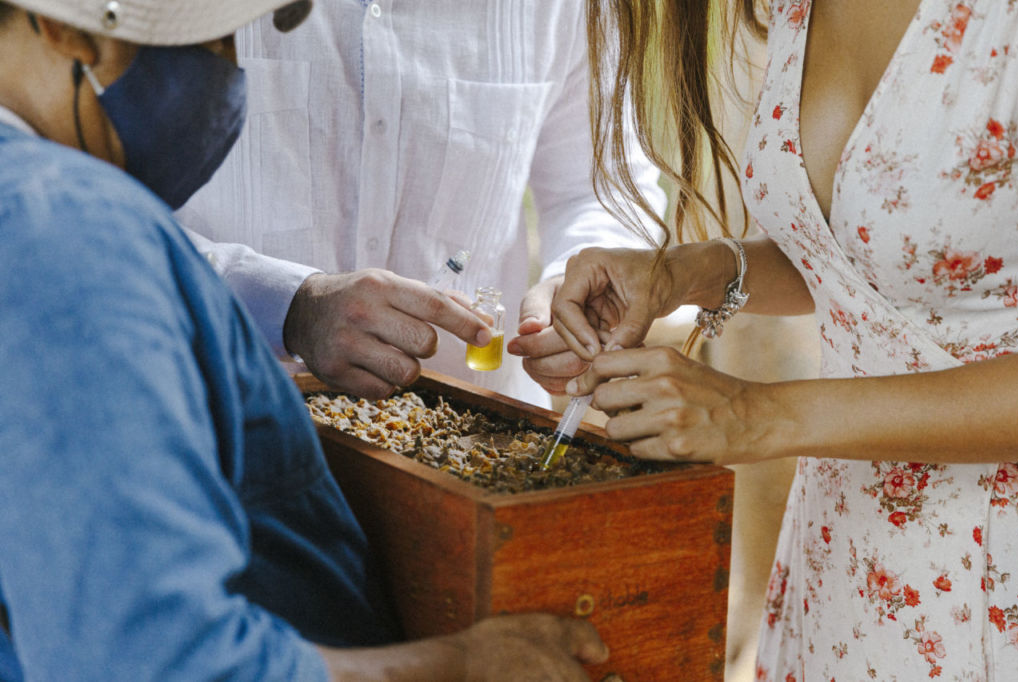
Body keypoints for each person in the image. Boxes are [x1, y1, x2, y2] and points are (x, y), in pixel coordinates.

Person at [0, 0, 608, 679]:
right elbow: (154, 656)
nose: (227, 73)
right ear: (65, 26)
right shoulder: (65, 230)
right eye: (213, 42)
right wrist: (459, 667)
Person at [551, 0, 1018, 679]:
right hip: (841, 565)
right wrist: (691, 273)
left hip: (997, 584)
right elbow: (872, 262)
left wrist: (756, 413)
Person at [175, 0, 667, 406]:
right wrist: (288, 305)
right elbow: (125, 212)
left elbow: (602, 188)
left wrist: (579, 281)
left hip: (474, 446)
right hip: (219, 425)